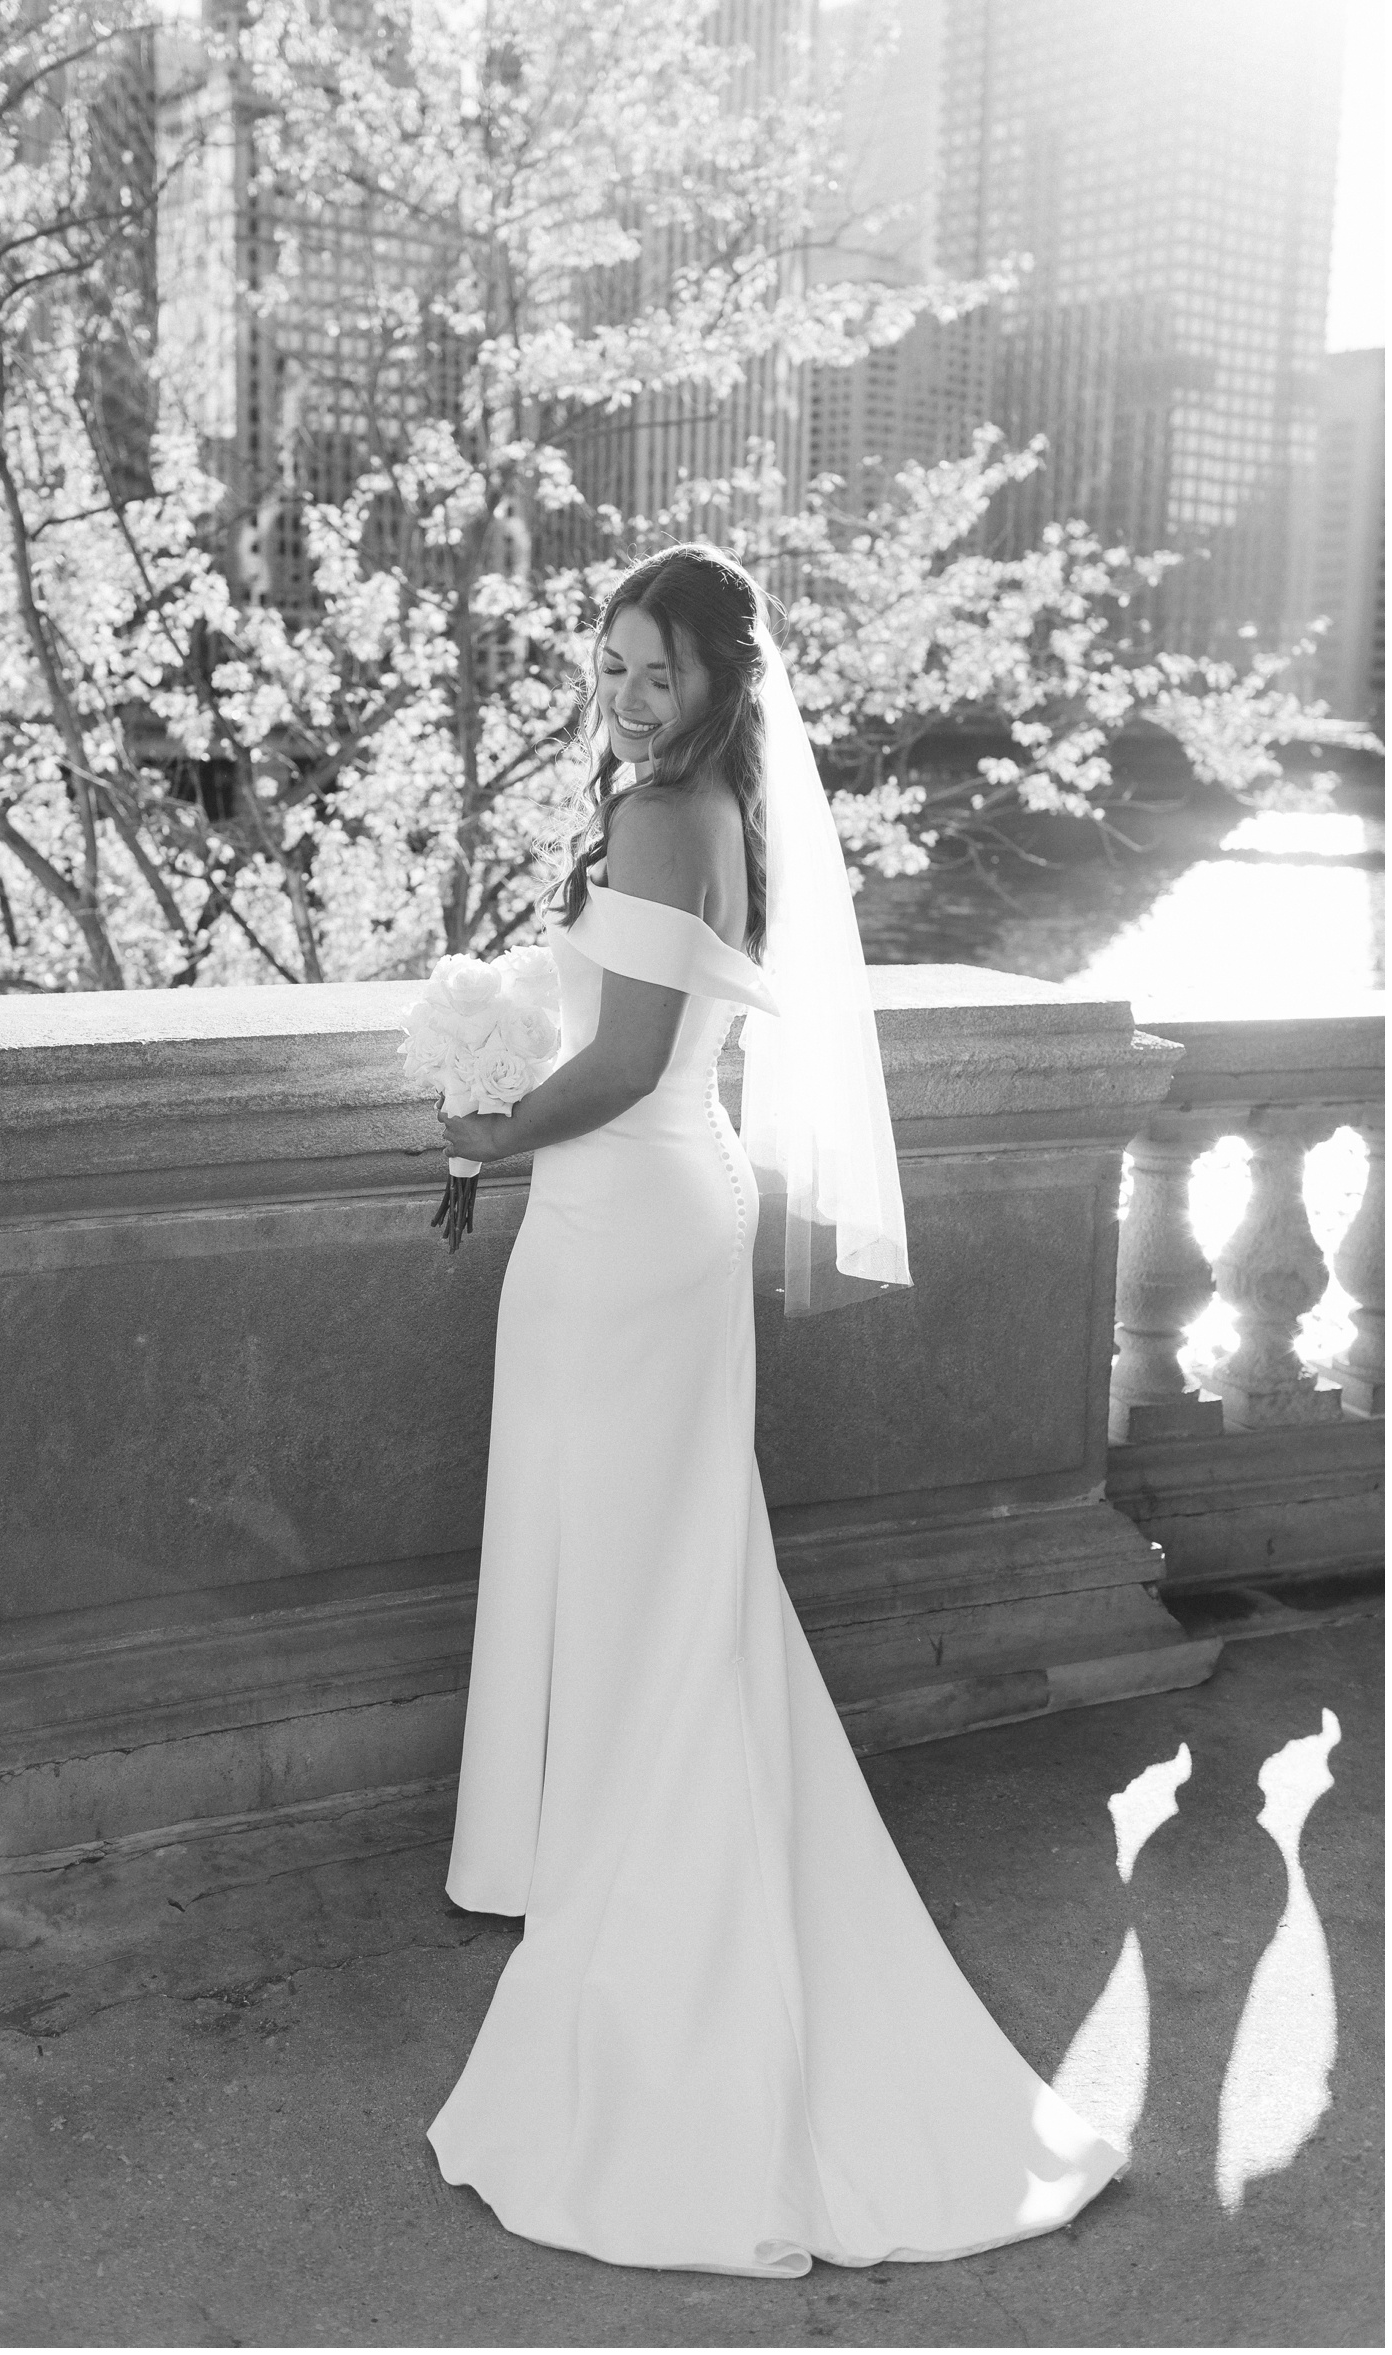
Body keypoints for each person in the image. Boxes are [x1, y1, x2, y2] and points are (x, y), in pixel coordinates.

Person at [426, 542, 1125, 2277]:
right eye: (607, 667)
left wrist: (476, 1130)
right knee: (670, 1569)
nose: (626, 696)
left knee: (639, 1571)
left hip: (625, 1214)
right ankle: (650, 1853)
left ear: (724, 679)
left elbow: (616, 1061)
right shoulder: (699, 809)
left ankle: (654, 1907)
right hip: (659, 1207)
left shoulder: (670, 818)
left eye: (655, 670)